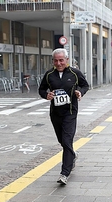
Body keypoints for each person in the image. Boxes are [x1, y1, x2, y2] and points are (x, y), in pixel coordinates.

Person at [38, 48, 89, 185]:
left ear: (67, 60)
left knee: (67, 141)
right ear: (53, 61)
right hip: (55, 113)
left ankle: (64, 173)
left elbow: (85, 85)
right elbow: (41, 89)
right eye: (56, 60)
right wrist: (46, 95)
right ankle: (72, 154)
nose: (59, 63)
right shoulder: (49, 75)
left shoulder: (75, 73)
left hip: (70, 112)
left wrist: (80, 92)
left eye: (61, 60)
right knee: (62, 141)